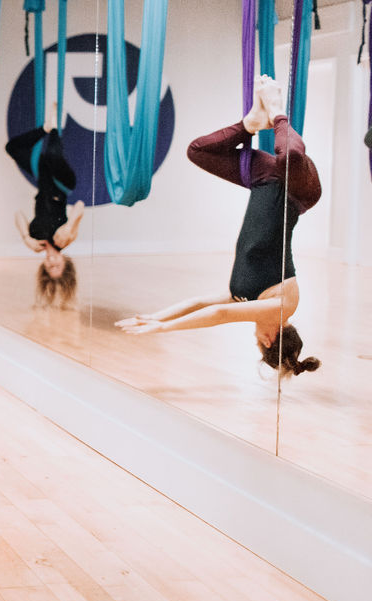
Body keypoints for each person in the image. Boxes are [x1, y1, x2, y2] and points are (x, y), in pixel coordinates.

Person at [117, 76, 322, 377]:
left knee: (197, 151)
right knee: (289, 157)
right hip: (299, 191)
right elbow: (220, 315)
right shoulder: (281, 308)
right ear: (268, 340)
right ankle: (278, 111)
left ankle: (250, 123)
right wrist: (163, 329)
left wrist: (153, 317)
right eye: (258, 342)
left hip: (265, 182)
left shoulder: (246, 297)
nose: (255, 337)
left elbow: (198, 302)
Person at [6, 102, 85, 308]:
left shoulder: (36, 241)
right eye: (58, 266)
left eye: (50, 268)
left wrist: (25, 238)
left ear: (44, 267)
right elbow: (80, 206)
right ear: (65, 263)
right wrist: (69, 226)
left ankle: (46, 129)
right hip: (63, 182)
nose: (52, 263)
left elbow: (17, 215)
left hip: (42, 176)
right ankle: (56, 126)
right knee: (52, 155)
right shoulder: (66, 240)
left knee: (12, 148)